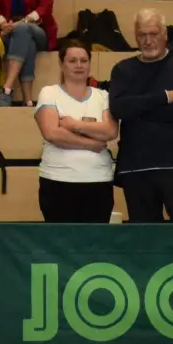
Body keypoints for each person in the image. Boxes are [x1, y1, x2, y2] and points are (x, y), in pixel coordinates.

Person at [109, 9, 173, 223]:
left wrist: (138, 108)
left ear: (165, 34)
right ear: (135, 35)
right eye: (142, 35)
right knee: (145, 243)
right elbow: (119, 108)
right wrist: (162, 97)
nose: (148, 41)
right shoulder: (122, 69)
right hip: (135, 168)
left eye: (153, 34)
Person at [34, 38, 117, 223]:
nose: (79, 65)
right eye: (72, 61)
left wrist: (72, 125)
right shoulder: (49, 93)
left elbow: (110, 131)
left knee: (94, 245)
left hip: (98, 181)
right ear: (61, 64)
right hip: (57, 180)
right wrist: (91, 143)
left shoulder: (103, 96)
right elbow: (52, 133)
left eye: (83, 60)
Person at [0, 0, 57, 106]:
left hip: (38, 29)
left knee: (22, 29)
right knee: (28, 43)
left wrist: (23, 22)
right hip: (8, 30)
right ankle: (28, 101)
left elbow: (45, 7)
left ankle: (7, 87)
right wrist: (3, 24)